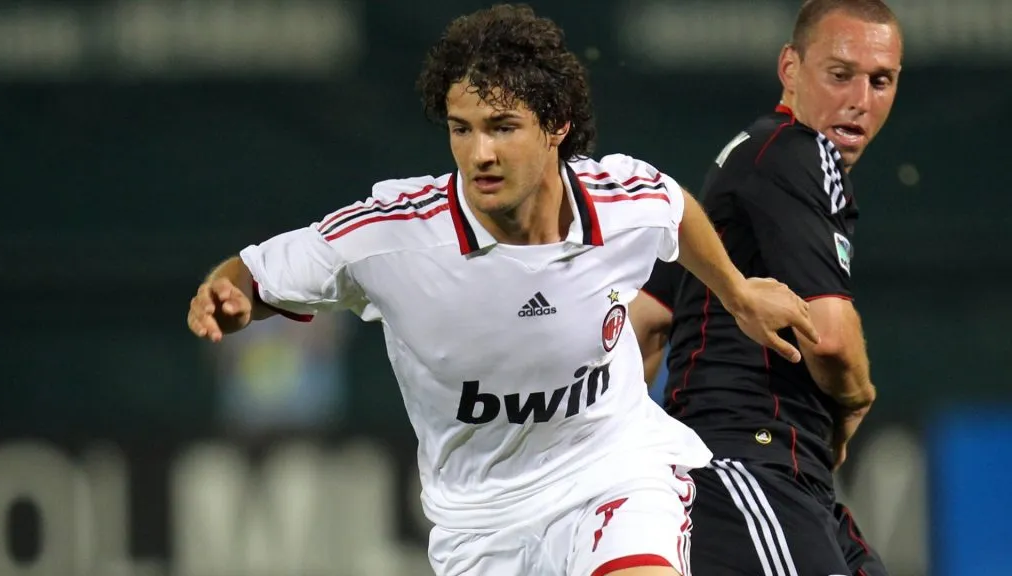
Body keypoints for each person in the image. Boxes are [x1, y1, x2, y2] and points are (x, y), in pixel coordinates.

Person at [186, 5, 818, 576]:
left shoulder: (619, 202)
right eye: (462, 129)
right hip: (481, 526)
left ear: (557, 125)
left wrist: (737, 294)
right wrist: (232, 293)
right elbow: (258, 271)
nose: (479, 153)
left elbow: (674, 209)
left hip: (614, 474)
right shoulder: (392, 235)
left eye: (502, 127)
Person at [629, 0, 902, 574]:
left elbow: (644, 323)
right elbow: (829, 340)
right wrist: (855, 397)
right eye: (840, 73)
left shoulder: (740, 168)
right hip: (747, 465)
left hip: (771, 474)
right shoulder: (798, 153)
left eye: (881, 81)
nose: (860, 99)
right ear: (790, 69)